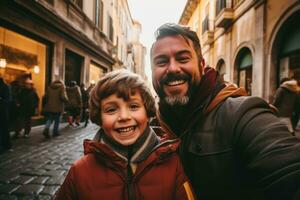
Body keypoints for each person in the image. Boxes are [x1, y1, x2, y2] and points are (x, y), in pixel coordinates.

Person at [150, 23, 300, 200]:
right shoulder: (150, 128)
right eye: (161, 62)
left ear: (202, 65)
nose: (173, 68)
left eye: (183, 59)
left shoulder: (242, 114)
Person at [55, 69, 195, 200]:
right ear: (100, 118)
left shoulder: (172, 163)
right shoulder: (80, 172)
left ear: (148, 112)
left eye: (134, 106)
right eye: (111, 110)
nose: (123, 117)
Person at [0, 77, 12, 153]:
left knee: (3, 128)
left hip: (2, 111)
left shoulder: (5, 86)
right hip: (3, 111)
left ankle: (6, 145)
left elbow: (8, 99)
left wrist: (1, 100)